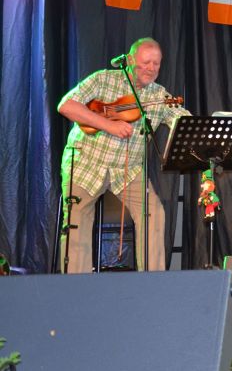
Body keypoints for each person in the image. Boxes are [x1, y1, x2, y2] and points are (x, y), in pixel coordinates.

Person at [57, 37, 189, 273]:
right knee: (77, 221)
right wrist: (109, 125)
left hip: (127, 171)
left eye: (156, 64)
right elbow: (66, 105)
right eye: (146, 62)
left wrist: (203, 128)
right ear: (129, 60)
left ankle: (153, 282)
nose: (151, 68)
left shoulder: (159, 95)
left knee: (153, 213)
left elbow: (183, 120)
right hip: (87, 163)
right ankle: (77, 286)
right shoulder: (103, 79)